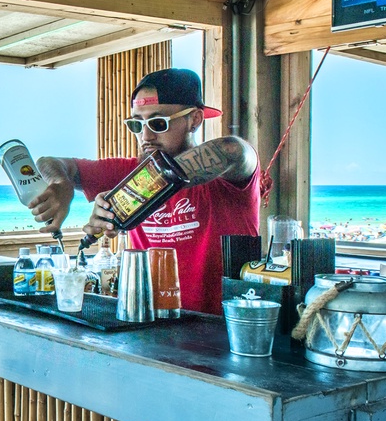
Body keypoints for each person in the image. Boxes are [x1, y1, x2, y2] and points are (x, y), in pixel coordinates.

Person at [28, 67, 260, 315]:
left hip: (223, 327)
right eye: (137, 124)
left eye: (158, 123)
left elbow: (232, 151)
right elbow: (48, 162)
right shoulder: (127, 170)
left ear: (194, 120)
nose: (146, 136)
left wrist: (130, 193)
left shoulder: (227, 180)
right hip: (148, 322)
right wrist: (61, 184)